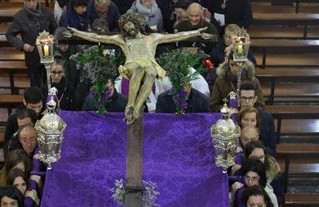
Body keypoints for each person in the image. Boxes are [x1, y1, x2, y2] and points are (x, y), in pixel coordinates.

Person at [67, 12, 212, 124]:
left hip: (149, 66)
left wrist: (197, 33)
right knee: (139, 67)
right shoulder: (123, 40)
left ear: (136, 24)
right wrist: (77, 33)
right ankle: (130, 105)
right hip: (132, 66)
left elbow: (177, 36)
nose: (128, 28)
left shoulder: (152, 38)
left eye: (130, 25)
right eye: (125, 27)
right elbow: (97, 38)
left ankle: (136, 109)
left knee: (150, 72)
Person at [6, 0, 58, 90]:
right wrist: (23, 45)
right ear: (23, 1)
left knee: (50, 83)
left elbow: (55, 30)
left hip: (48, 55)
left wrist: (52, 41)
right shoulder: (19, 17)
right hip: (32, 56)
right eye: (28, 1)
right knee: (35, 86)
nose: (32, 3)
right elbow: (9, 35)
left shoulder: (47, 12)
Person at [239, 82, 276, 156]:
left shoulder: (266, 118)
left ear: (255, 99)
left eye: (250, 98)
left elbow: (272, 150)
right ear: (238, 98)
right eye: (244, 98)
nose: (247, 102)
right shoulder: (232, 117)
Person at [244, 141, 284, 205]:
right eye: (254, 158)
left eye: (261, 157)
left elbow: (279, 198)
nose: (259, 161)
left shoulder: (274, 172)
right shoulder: (242, 172)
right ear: (247, 158)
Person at [3, 87, 43, 151]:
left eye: (39, 106)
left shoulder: (44, 115)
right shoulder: (14, 118)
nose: (37, 111)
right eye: (32, 107)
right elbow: (7, 143)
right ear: (24, 102)